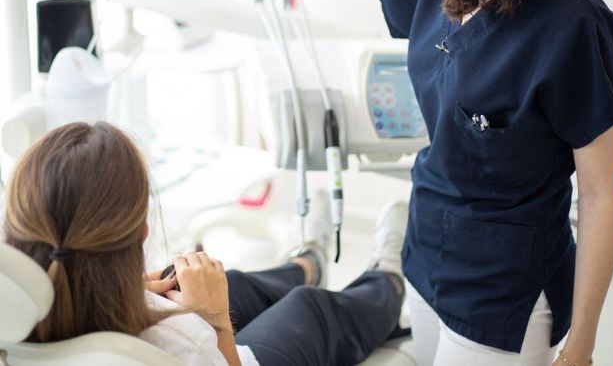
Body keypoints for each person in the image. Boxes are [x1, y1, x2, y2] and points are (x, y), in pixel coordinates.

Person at [95, 0, 613, 366]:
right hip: (428, 250)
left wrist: (583, 343)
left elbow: (599, 193)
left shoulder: (570, 26)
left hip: (507, 286)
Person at [3, 121, 409, 366]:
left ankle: (306, 262)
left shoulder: (14, 307)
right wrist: (215, 320)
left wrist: (126, 288)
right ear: (142, 234)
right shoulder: (184, 339)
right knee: (312, 310)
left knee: (234, 284)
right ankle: (386, 281)